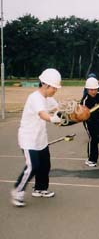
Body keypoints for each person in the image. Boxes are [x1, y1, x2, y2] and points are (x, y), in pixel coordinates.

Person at [11, 68, 62, 207]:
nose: (55, 91)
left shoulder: (49, 98)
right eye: (54, 88)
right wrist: (53, 120)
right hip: (28, 139)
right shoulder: (35, 98)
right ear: (45, 84)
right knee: (33, 166)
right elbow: (42, 114)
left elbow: (58, 109)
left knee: (45, 165)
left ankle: (40, 189)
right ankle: (18, 191)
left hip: (41, 138)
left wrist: (69, 114)